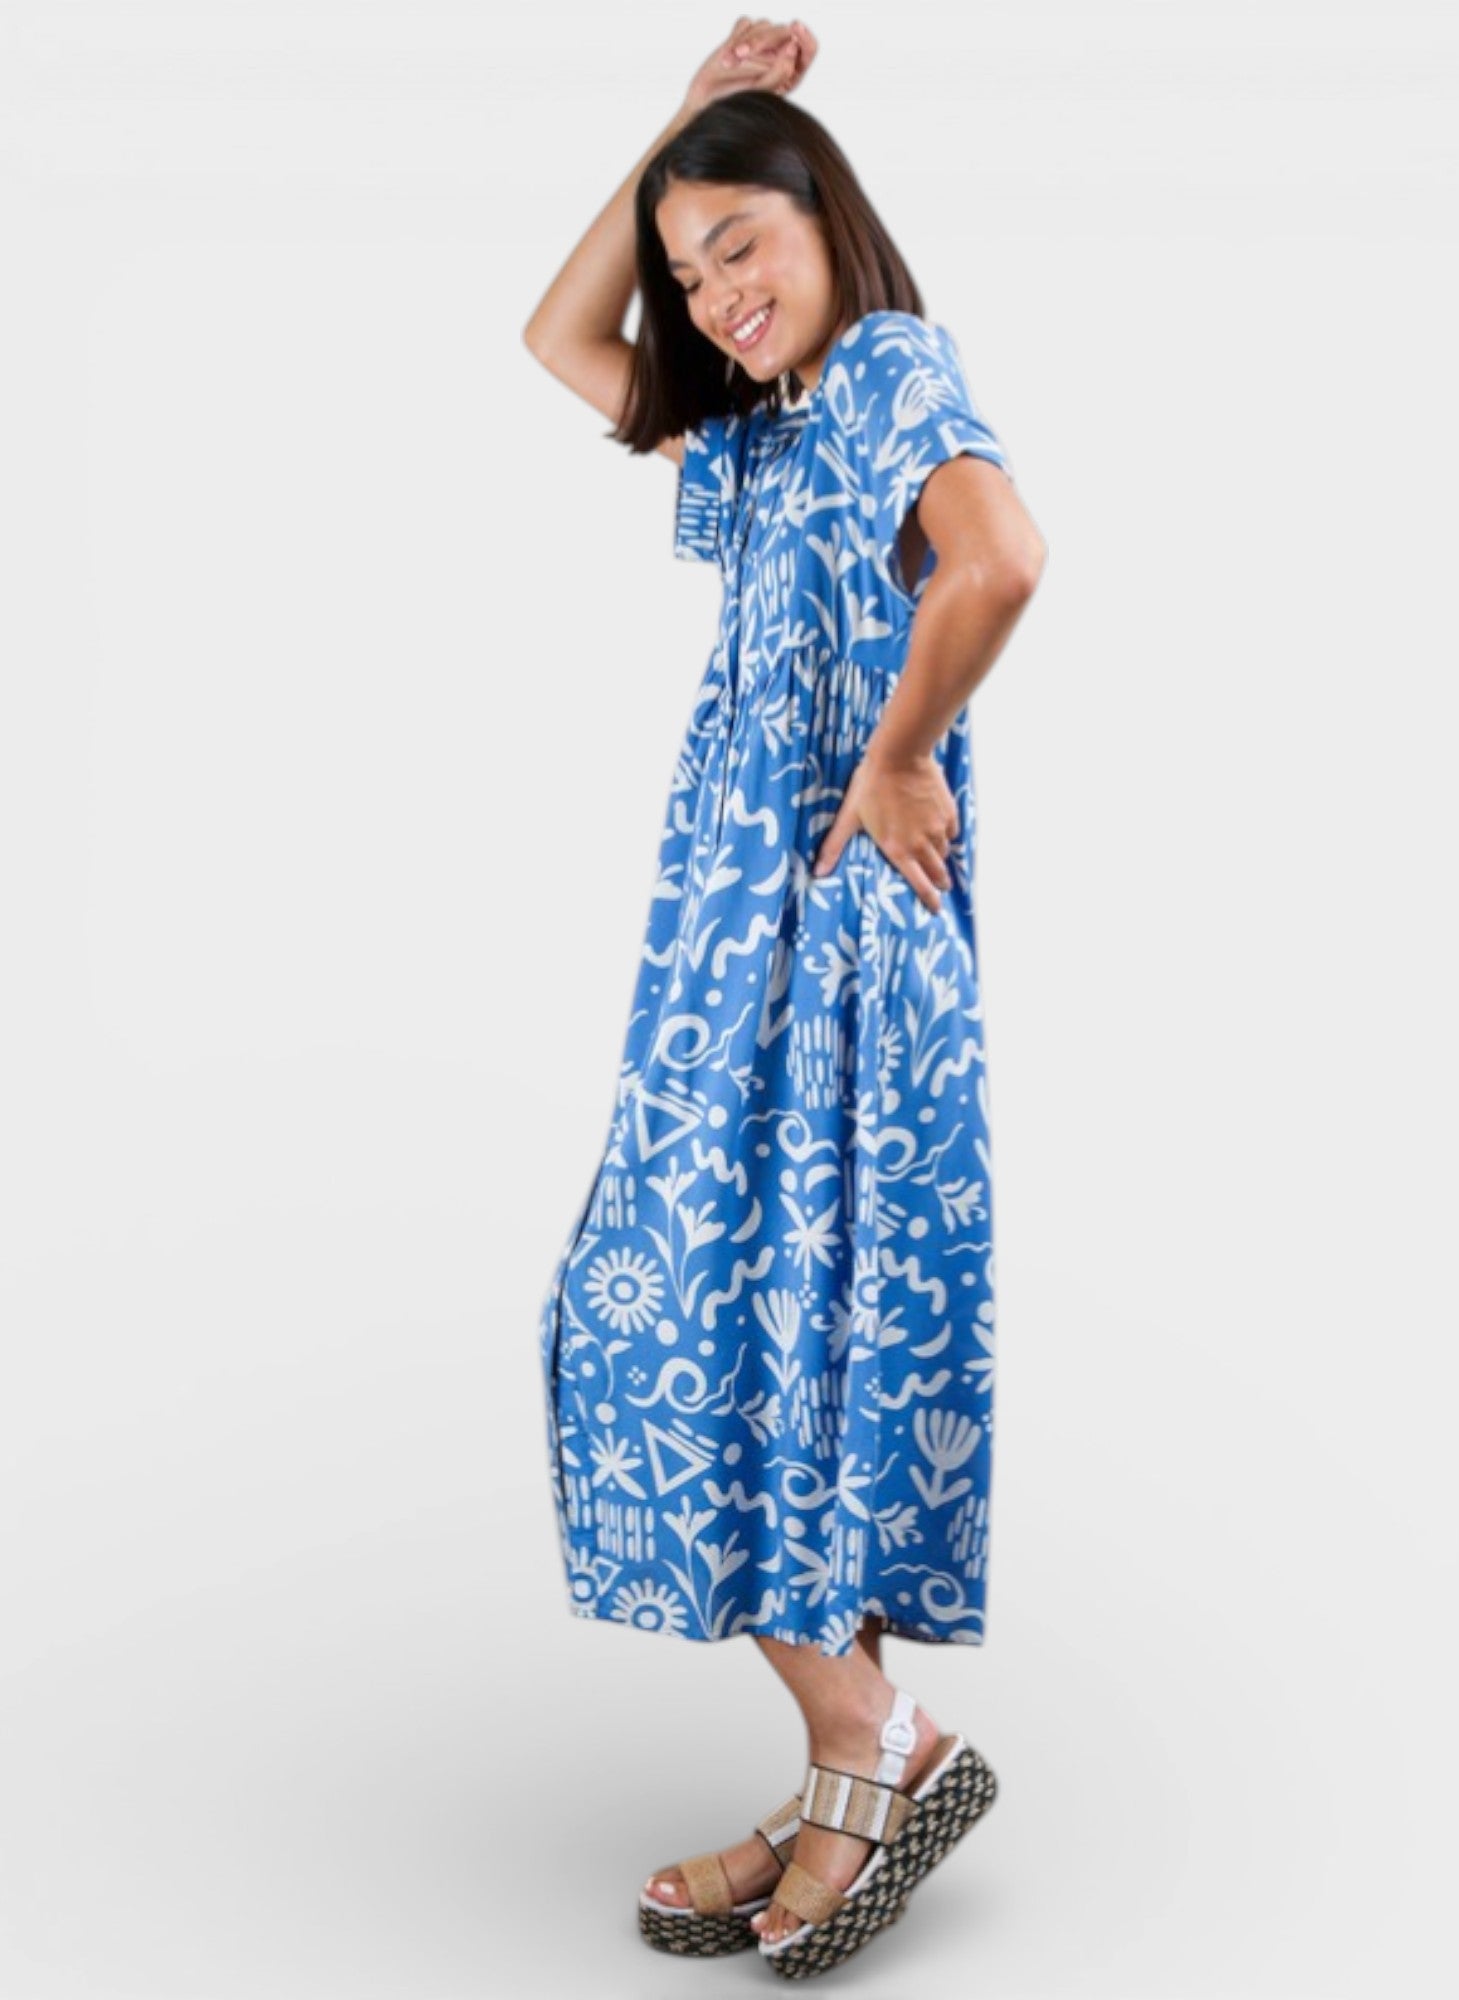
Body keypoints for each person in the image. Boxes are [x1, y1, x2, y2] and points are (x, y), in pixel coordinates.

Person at [523, 16, 1046, 1977]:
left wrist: (902, 750)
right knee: (772, 1347)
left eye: (743, 239)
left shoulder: (892, 368)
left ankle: (877, 1740)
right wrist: (671, 144)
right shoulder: (766, 425)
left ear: (829, 216)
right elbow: (559, 346)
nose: (712, 296)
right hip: (739, 949)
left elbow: (995, 560)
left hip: (828, 946)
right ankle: (852, 1763)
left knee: (680, 1325)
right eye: (690, 268)